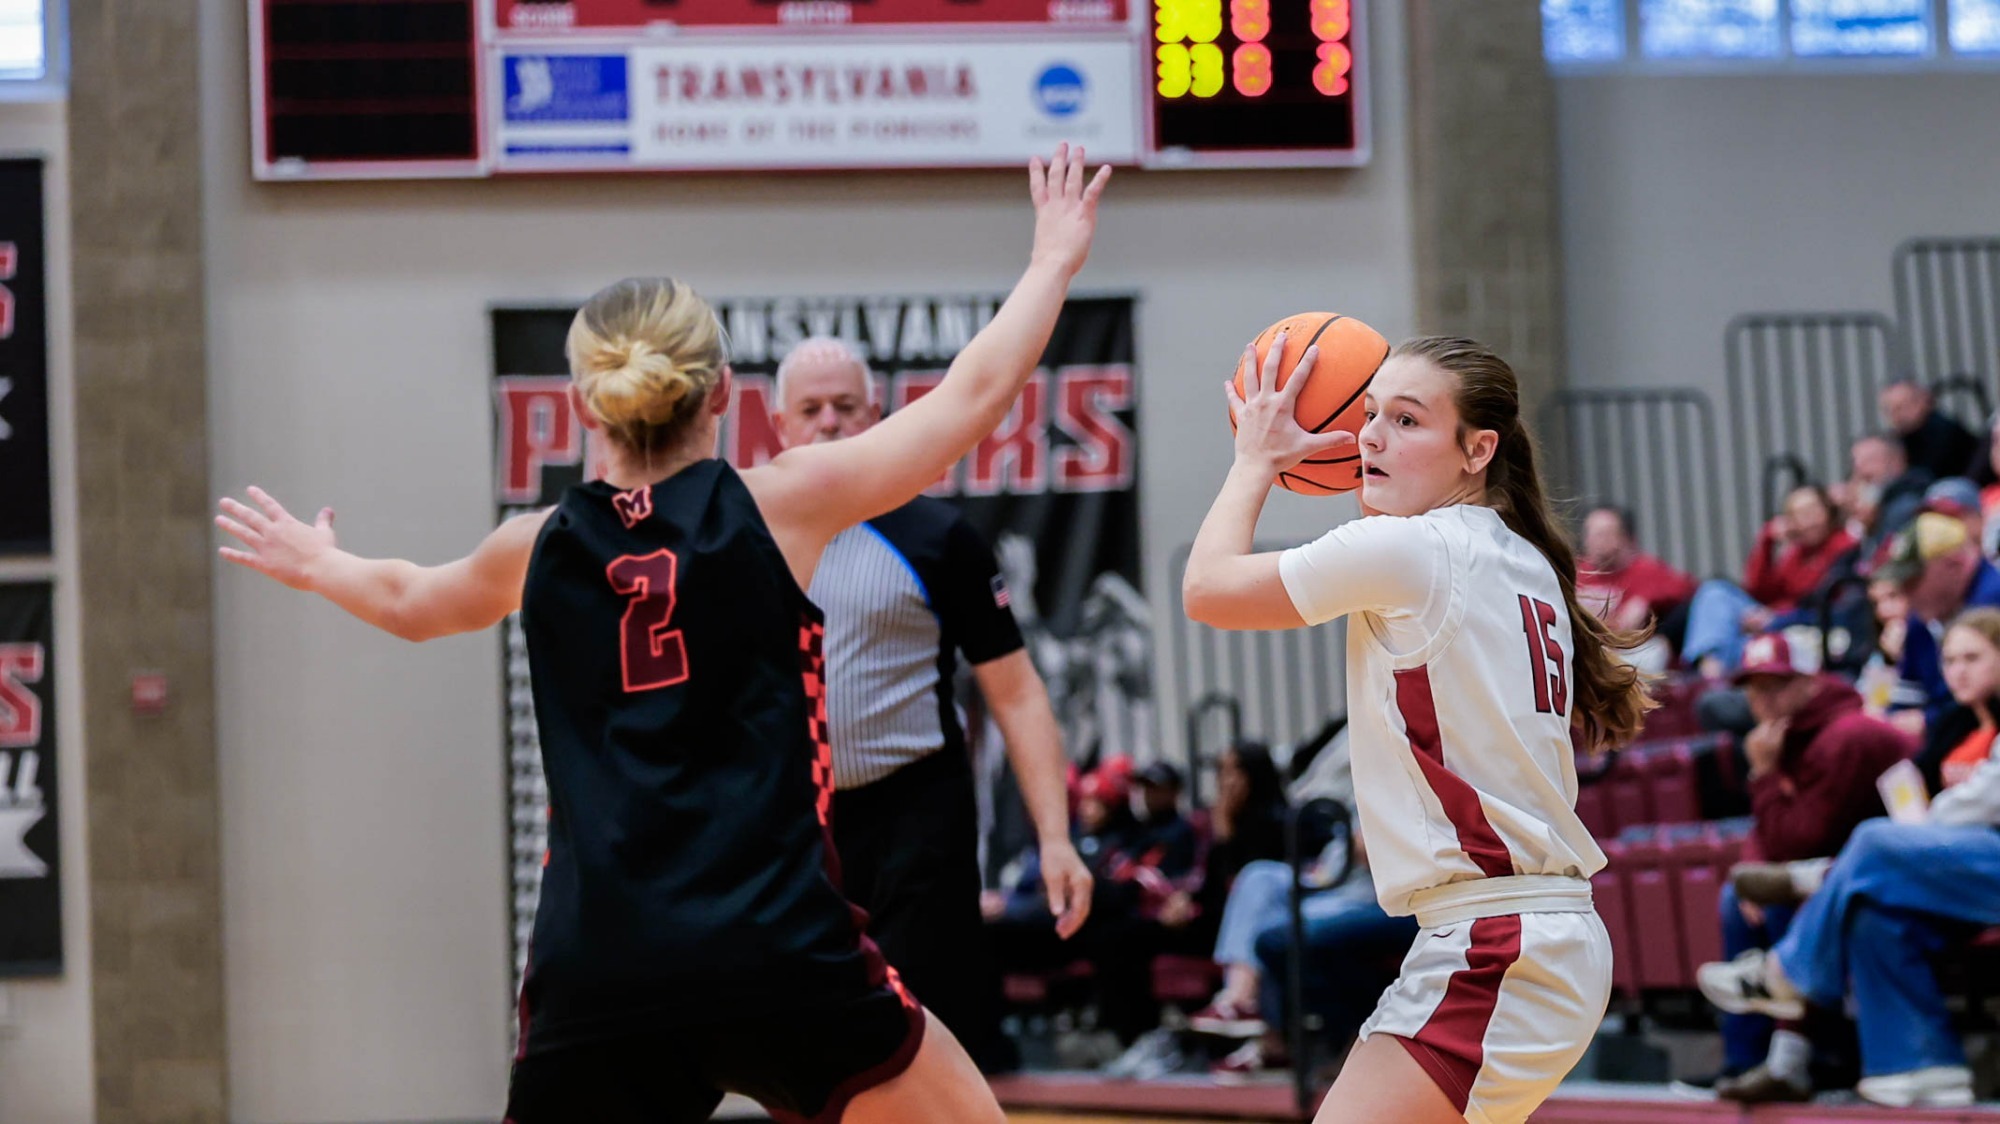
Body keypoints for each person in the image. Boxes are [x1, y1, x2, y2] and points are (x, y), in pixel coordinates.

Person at [214, 146, 1111, 1124]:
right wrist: (1051, 261)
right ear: (724, 391)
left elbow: (406, 600)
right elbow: (970, 398)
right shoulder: (782, 505)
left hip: (602, 962)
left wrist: (315, 561)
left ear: (584, 406)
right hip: (777, 945)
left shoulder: (537, 545)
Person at [1183, 334, 1653, 1124]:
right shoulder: (1523, 556)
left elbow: (1208, 590)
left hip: (1498, 942)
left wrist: (1256, 461)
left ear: (1478, 449)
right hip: (1526, 936)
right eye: (1367, 414)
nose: (1369, 436)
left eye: (1405, 420)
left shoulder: (1411, 549)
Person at [768, 334, 1091, 1070]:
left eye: (845, 406)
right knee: (808, 1036)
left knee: (918, 1029)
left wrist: (1055, 837)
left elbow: (1017, 693)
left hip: (914, 812)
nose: (828, 423)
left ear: (875, 414)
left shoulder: (935, 536)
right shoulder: (749, 534)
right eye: (810, 409)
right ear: (779, 425)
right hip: (796, 818)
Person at [1699, 608, 2000, 1110]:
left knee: (1875, 844)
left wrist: (1916, 833)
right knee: (1871, 917)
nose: (1958, 670)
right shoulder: (1953, 725)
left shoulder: (1848, 736)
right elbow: (1911, 798)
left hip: (1972, 863)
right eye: (1950, 659)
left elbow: (1968, 806)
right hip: (1954, 873)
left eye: (1974, 657)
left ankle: (1792, 960)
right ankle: (1921, 1065)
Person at [1708, 631, 1910, 1103]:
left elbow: (1803, 836)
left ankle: (1798, 1061)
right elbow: (1773, 833)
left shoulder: (1845, 736)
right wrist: (1756, 865)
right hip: (1829, 867)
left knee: (1782, 902)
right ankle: (1745, 1059)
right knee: (1737, 897)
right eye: (1753, 689)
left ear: (1810, 682)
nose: (1761, 700)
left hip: (1873, 875)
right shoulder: (1788, 733)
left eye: (1775, 686)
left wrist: (1762, 774)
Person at [1682, 485, 1858, 675]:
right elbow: (1759, 591)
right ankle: (1709, 667)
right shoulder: (1796, 554)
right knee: (1714, 592)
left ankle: (1711, 675)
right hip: (1773, 616)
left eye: (1813, 510)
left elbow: (1818, 598)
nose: (1809, 520)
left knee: (1729, 638)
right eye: (1799, 514)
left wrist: (1775, 618)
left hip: (1802, 622)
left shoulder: (1843, 545)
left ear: (1828, 511)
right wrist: (1767, 542)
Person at [1878, 510, 2000, 730]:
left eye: (1913, 581)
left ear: (1955, 564)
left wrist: (1928, 721)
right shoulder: (1922, 617)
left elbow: (1986, 699)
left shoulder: (1993, 602)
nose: (1906, 593)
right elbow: (1906, 697)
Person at [1880, 379, 1980, 482]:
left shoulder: (1943, 432)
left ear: (1924, 400)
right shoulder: (1902, 438)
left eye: (1903, 406)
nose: (1899, 415)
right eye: (1892, 410)